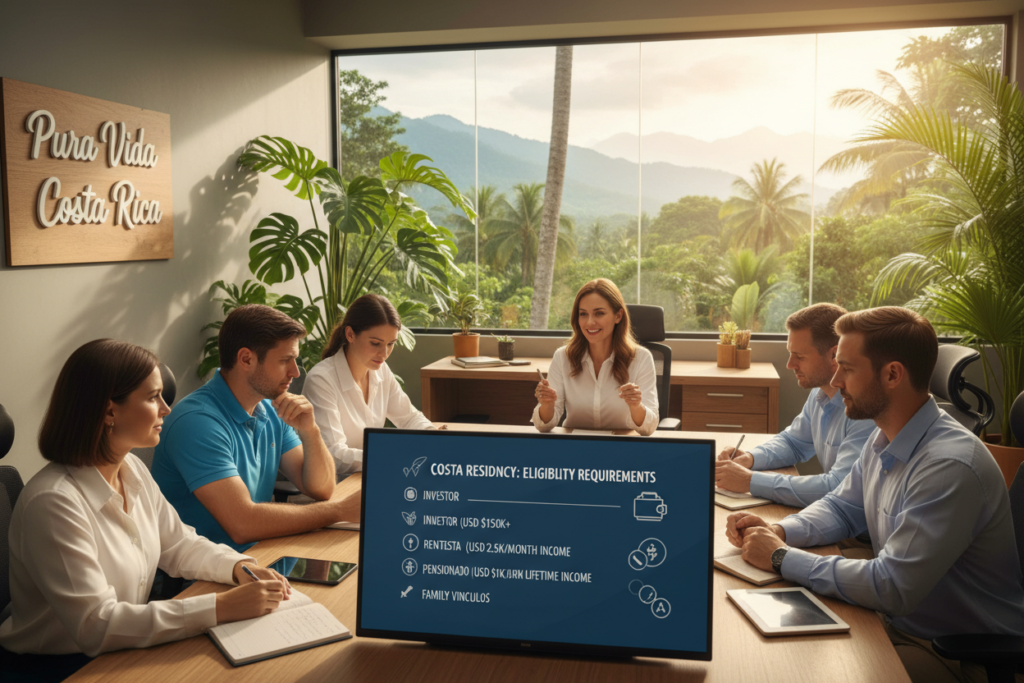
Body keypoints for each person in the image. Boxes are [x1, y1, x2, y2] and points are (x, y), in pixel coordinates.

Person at [726, 307, 1024, 683]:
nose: (835, 378)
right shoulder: (886, 435)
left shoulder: (949, 466)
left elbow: (890, 585)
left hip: (953, 651)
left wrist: (781, 557)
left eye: (847, 368)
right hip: (899, 621)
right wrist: (781, 531)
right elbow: (841, 508)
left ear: (892, 374)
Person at [0, 340, 290, 674]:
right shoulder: (53, 502)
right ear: (110, 411)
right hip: (60, 667)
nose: (167, 408)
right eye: (153, 397)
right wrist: (220, 606)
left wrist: (239, 567)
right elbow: (96, 624)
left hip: (119, 649)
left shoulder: (131, 468)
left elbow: (179, 544)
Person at [152, 305, 358, 553]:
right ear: (246, 359)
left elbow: (320, 488)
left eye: (295, 359)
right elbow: (243, 525)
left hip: (258, 553)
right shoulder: (197, 422)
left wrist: (310, 431)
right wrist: (340, 510)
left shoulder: (271, 409)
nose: (295, 371)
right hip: (200, 573)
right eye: (285, 360)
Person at [715, 303, 875, 507]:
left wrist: (749, 481)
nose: (790, 365)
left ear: (834, 355)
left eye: (799, 356)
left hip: (859, 533)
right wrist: (749, 458)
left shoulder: (864, 410)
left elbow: (838, 486)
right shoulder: (820, 392)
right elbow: (793, 442)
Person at [302, 293, 437, 479]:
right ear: (350, 334)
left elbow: (409, 418)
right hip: (337, 484)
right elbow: (332, 454)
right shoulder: (321, 379)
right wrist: (387, 456)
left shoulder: (380, 371)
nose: (384, 353)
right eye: (375, 343)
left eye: (391, 344)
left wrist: (434, 437)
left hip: (373, 474)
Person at [533, 278, 658, 435]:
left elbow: (649, 428)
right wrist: (546, 405)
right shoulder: (562, 357)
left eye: (599, 313)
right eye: (583, 314)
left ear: (618, 316)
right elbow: (543, 426)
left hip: (622, 449)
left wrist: (636, 406)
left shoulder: (640, 358)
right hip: (575, 448)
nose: (590, 322)